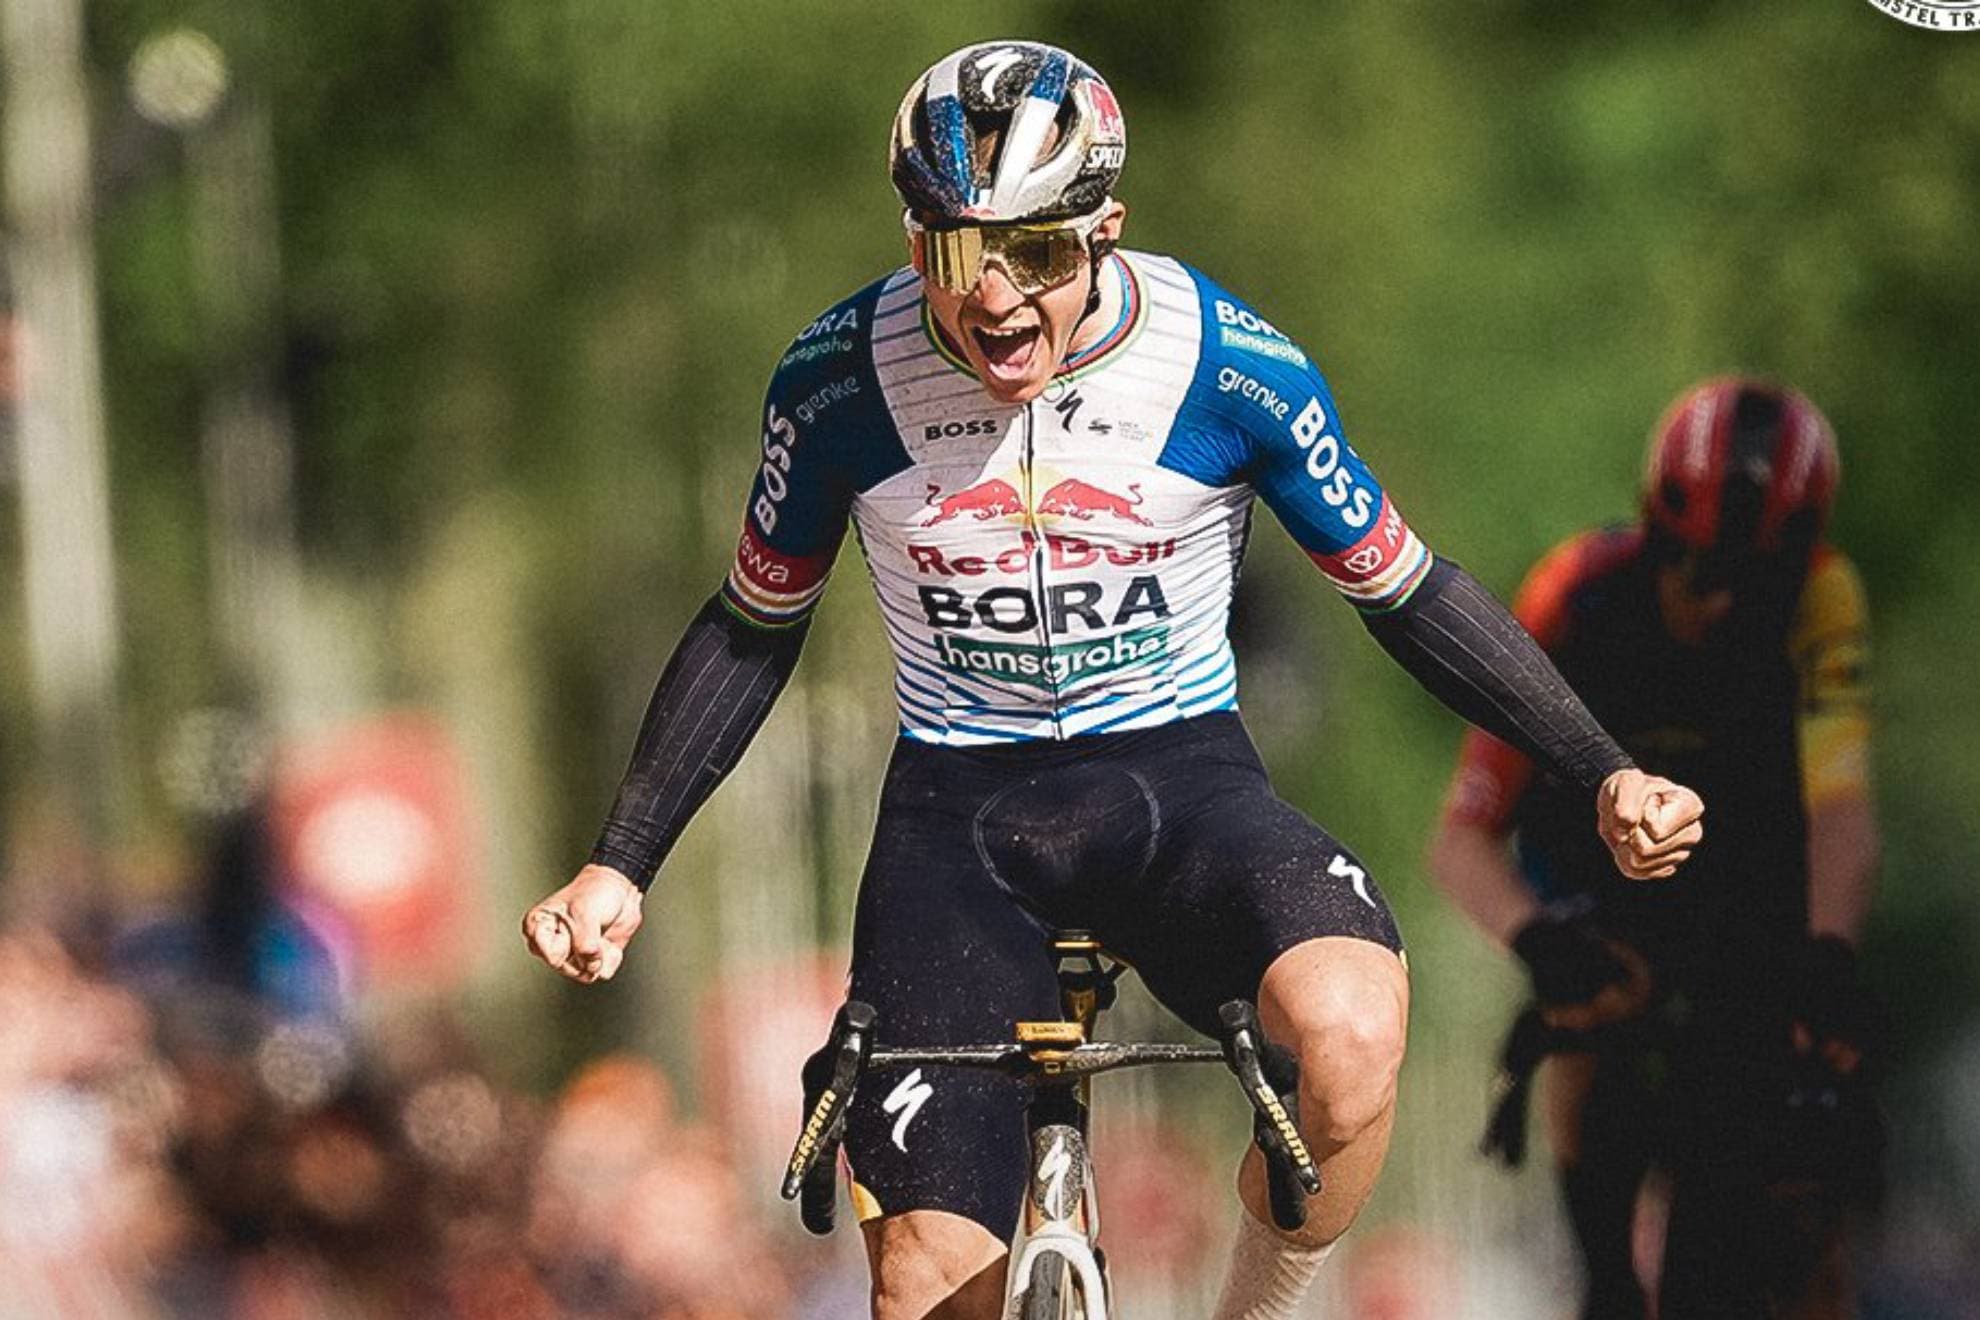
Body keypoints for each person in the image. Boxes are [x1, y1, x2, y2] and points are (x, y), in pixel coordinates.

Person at [523, 40, 1704, 1319]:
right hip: (955, 827)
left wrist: (1603, 771)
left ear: (1107, 229)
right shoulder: (836, 382)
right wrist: (620, 861)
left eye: (1036, 253)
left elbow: (1404, 589)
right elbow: (754, 625)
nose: (996, 301)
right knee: (923, 1287)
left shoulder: (1226, 364)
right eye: (957, 254)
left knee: (1355, 1038)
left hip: (1180, 785)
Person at [1429, 378, 1882, 1319]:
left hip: (1751, 888)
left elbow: (1840, 811)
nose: (1718, 608)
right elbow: (1463, 840)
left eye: (1751, 590)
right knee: (1593, 1013)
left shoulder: (1823, 595)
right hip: (1598, 902)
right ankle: (1601, 1271)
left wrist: (1829, 955)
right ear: (1652, 536)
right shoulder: (1575, 595)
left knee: (1791, 1221)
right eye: (1696, 573)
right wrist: (1538, 944)